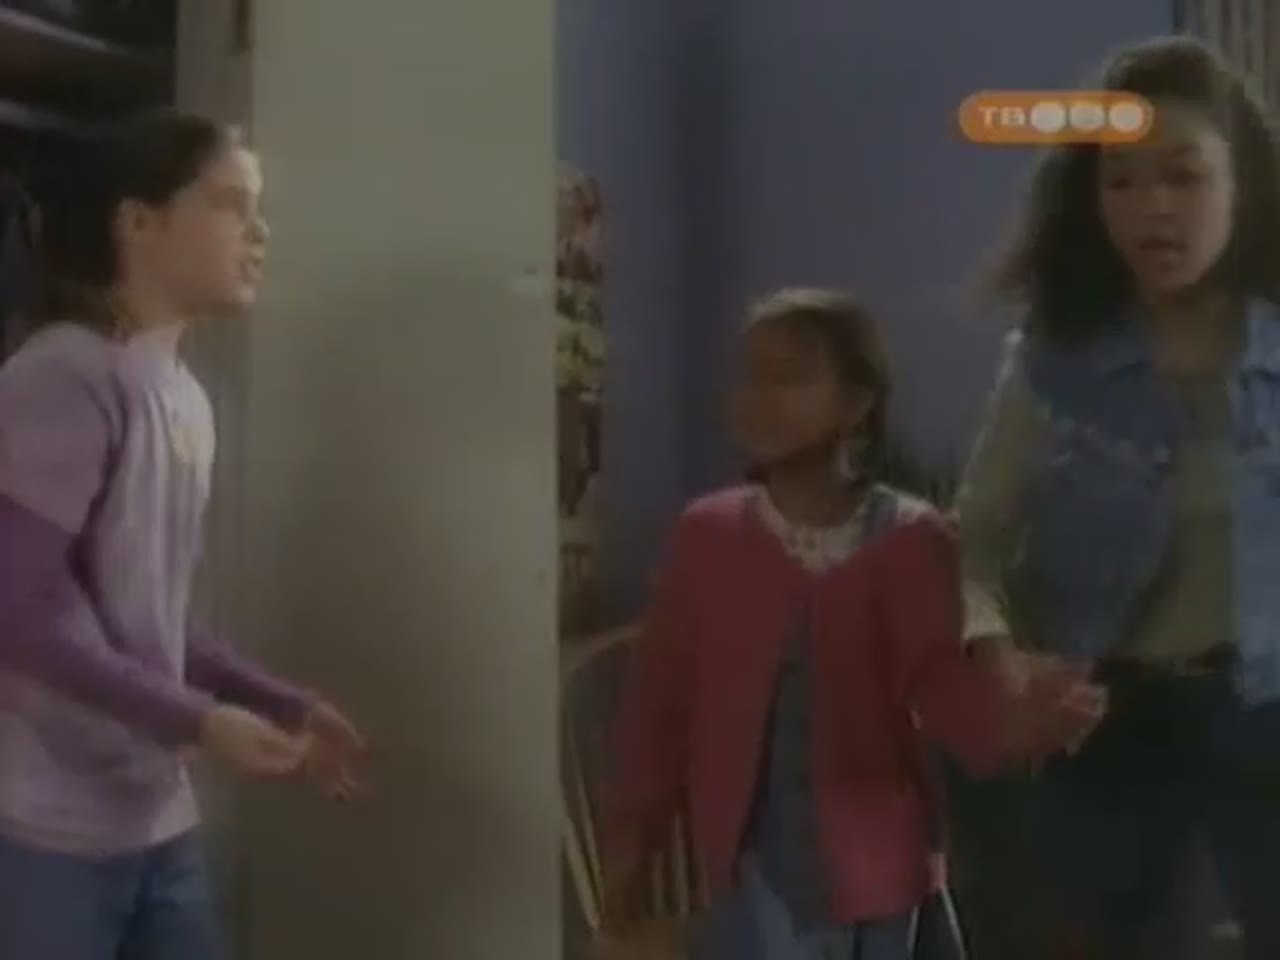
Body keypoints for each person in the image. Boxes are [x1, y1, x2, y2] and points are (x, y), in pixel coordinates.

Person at [598, 288, 1106, 960]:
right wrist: (632, 838)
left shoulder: (910, 538)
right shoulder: (707, 536)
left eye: (789, 376)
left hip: (882, 876)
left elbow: (941, 689)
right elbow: (659, 705)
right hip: (750, 878)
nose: (758, 396)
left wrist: (1020, 718)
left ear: (857, 403)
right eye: (749, 376)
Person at [0, 109, 366, 959]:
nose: (260, 232)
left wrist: (280, 701)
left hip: (155, 819)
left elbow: (148, 616)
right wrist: (199, 721)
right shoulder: (63, 374)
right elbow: (24, 608)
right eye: (232, 204)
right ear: (139, 222)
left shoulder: (185, 397)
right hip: (43, 829)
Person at [956, 35, 1280, 960]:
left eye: (1183, 175)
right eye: (1122, 182)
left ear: (1242, 185)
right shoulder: (1055, 360)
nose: (1152, 208)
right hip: (1108, 718)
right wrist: (1000, 658)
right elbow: (973, 538)